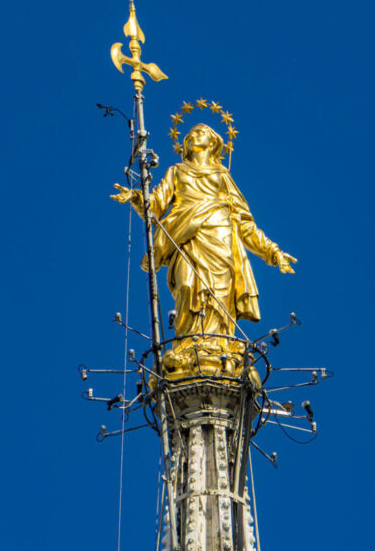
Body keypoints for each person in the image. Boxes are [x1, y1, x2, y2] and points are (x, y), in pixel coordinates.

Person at [112, 123, 296, 375]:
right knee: (187, 287)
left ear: (212, 142)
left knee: (219, 298)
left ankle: (220, 346)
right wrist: (135, 196)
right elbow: (154, 207)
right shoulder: (176, 171)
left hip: (220, 241)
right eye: (189, 134)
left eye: (200, 132)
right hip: (185, 239)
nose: (192, 135)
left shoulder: (222, 175)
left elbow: (245, 223)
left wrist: (273, 252)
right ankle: (188, 345)